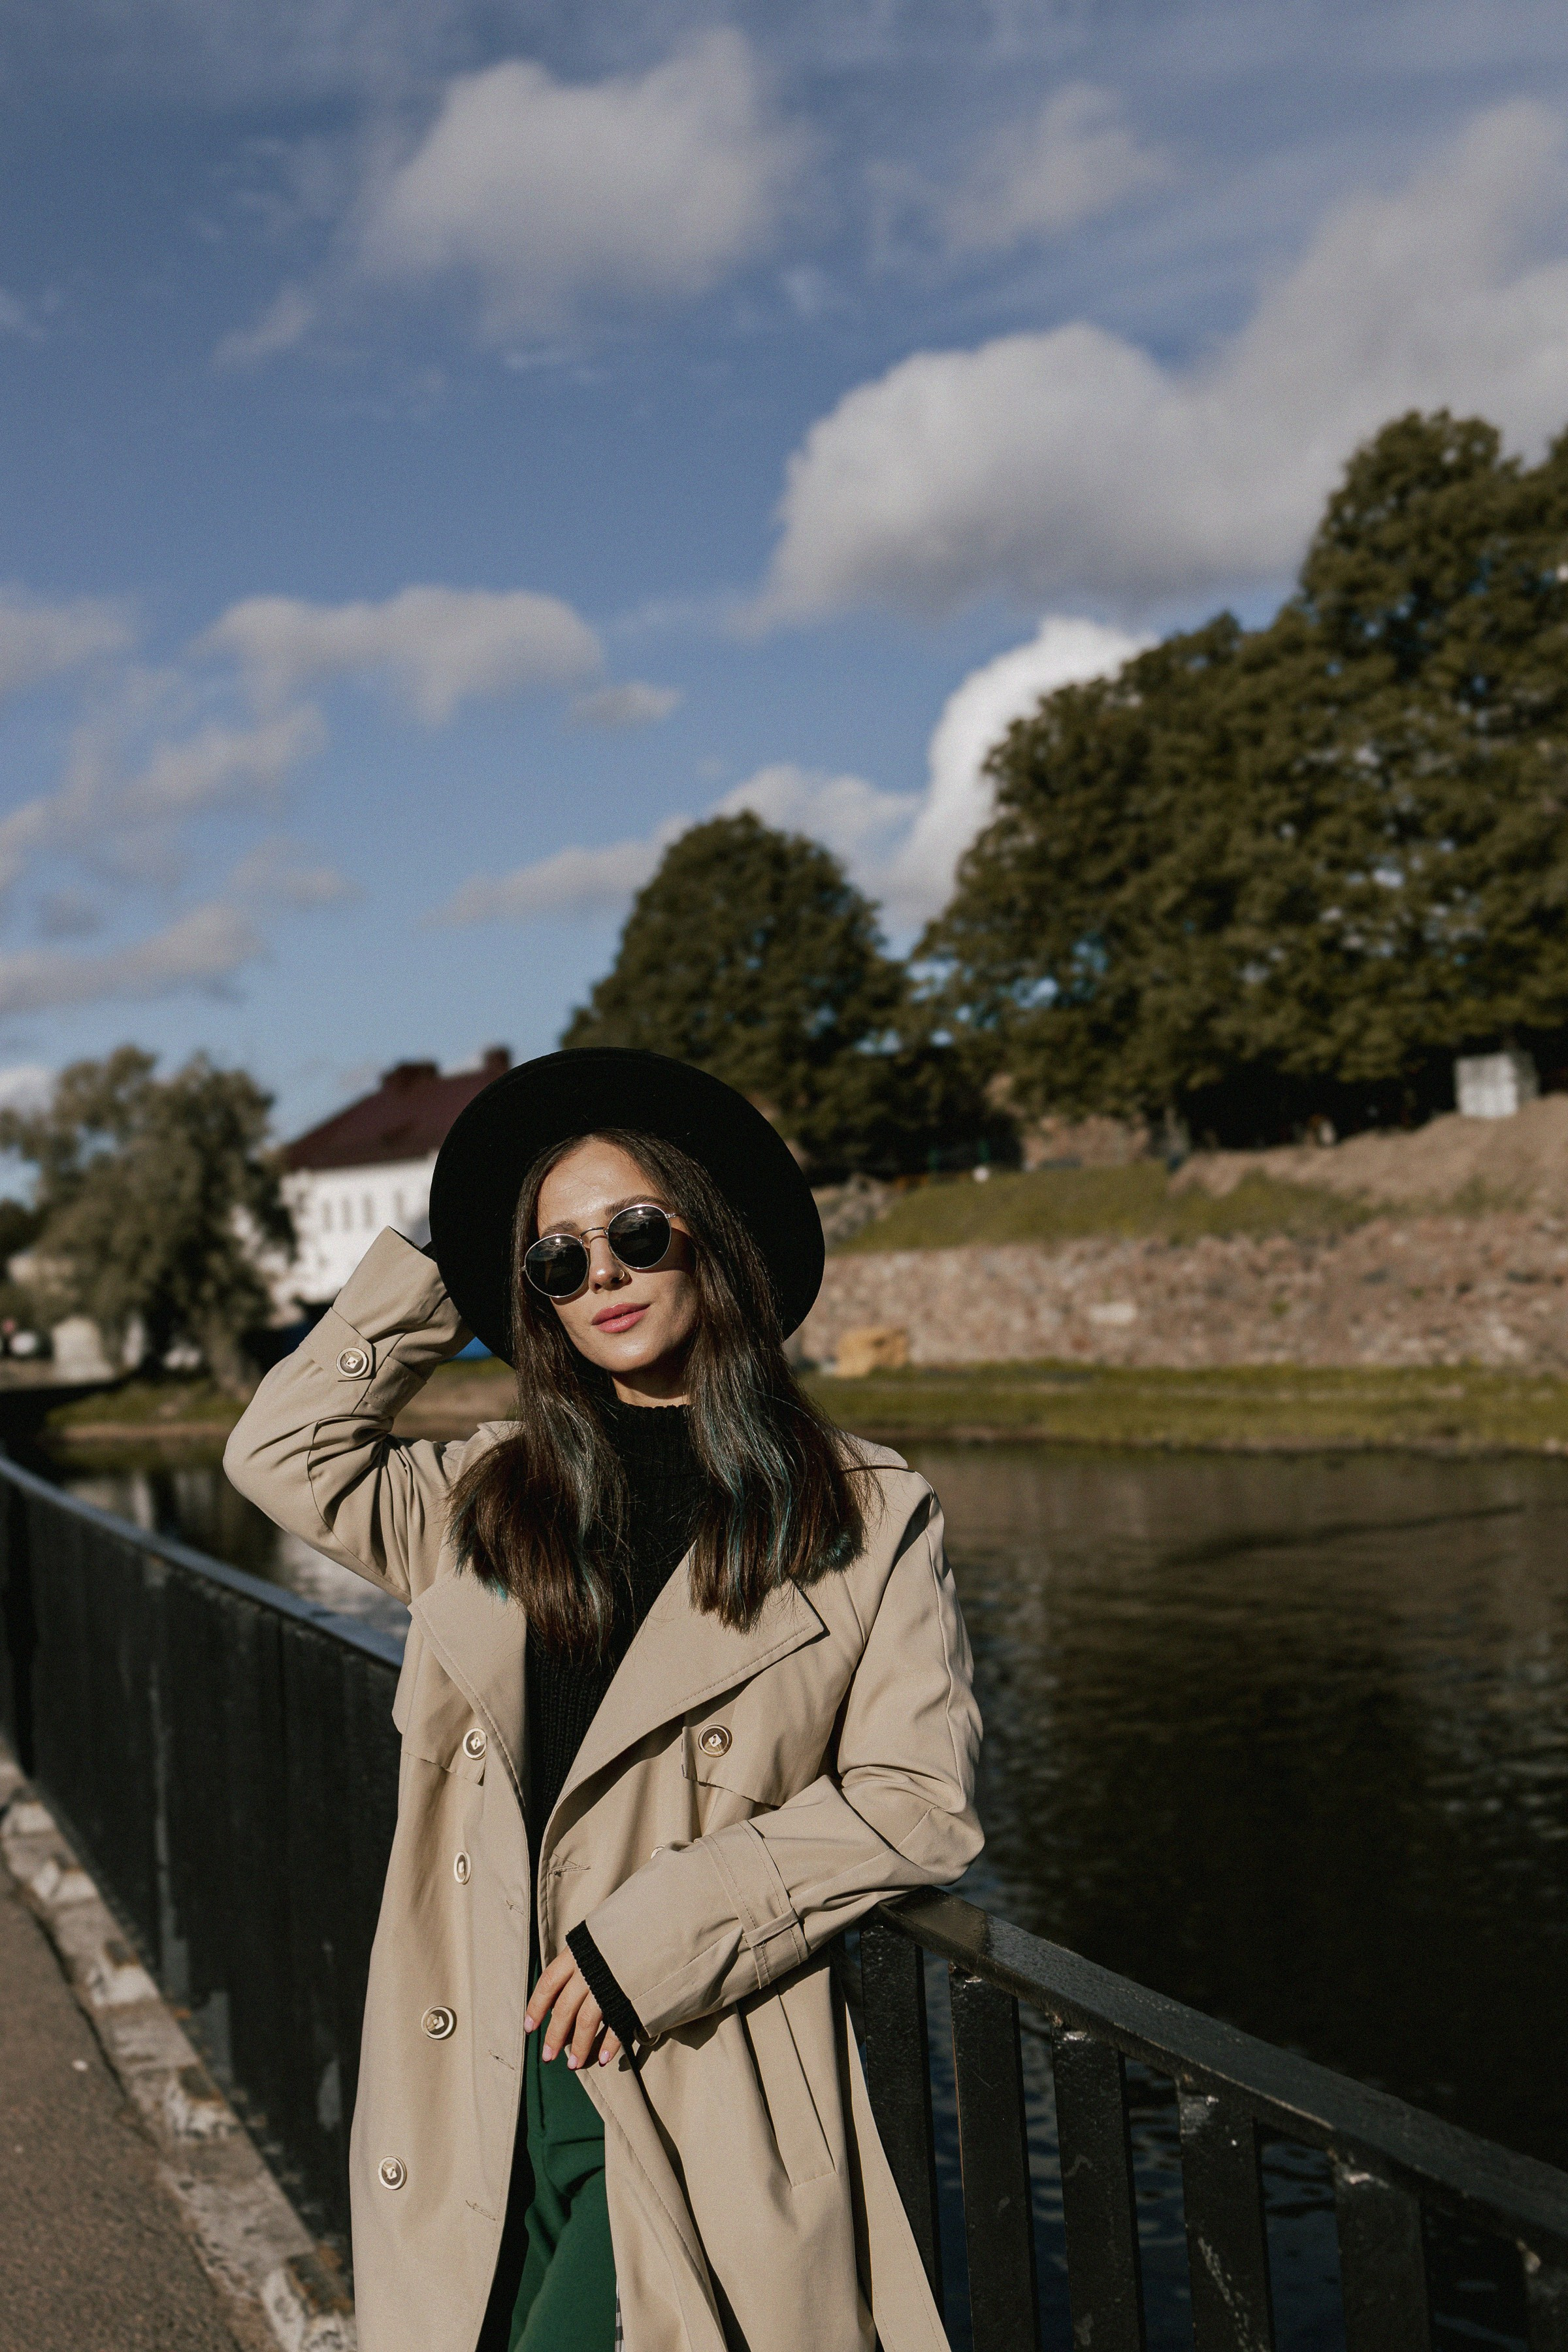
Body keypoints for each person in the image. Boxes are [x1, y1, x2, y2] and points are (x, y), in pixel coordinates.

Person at [224, 1047, 982, 2352]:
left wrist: (668, 1926)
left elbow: (920, 1802)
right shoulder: (485, 1499)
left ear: (710, 1237)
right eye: (556, 1261)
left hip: (686, 2067)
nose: (604, 1277)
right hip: (474, 2077)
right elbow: (279, 1450)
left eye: (634, 1232)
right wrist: (446, 1263)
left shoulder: (863, 1511)